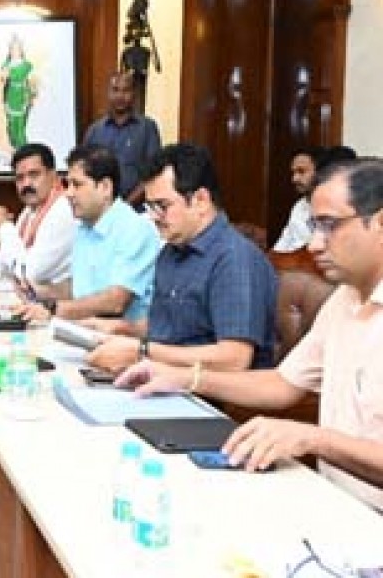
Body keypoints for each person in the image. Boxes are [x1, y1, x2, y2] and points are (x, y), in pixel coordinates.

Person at [116, 158, 383, 511]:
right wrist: (185, 378)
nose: (315, 244)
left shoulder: (233, 257)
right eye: (314, 226)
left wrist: (313, 438)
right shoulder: (344, 299)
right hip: (334, 503)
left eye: (329, 225)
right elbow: (283, 384)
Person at [86, 143, 277, 373]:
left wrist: (142, 351)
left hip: (209, 391)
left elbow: (234, 358)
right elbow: (169, 328)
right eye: (149, 206)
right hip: (161, 378)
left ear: (201, 200)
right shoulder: (170, 251)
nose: (153, 217)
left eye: (162, 206)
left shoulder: (234, 259)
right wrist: (122, 330)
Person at [14, 144, 158, 322]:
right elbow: (80, 290)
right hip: (85, 330)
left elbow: (115, 301)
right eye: (67, 184)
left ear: (105, 187)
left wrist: (52, 310)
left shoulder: (134, 229)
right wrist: (39, 291)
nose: (68, 193)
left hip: (120, 335)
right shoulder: (84, 226)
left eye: (77, 185)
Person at [0, 143, 76, 287]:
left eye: (34, 174)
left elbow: (28, 274)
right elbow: (4, 268)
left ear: (53, 176)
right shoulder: (29, 211)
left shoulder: (64, 210)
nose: (26, 184)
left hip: (57, 299)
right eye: (20, 178)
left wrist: (4, 226)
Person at [83, 72, 162, 207]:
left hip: (137, 210)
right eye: (115, 90)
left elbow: (153, 174)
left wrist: (125, 207)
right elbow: (85, 173)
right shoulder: (94, 131)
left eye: (126, 90)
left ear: (134, 94)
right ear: (108, 93)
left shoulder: (147, 128)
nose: (120, 96)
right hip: (101, 209)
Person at [273, 146, 325, 253]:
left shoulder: (334, 208)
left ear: (320, 172)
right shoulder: (299, 206)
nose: (294, 179)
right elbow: (281, 246)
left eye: (301, 171)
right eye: (293, 172)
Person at [0, 35, 36, 149]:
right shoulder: (6, 64)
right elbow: (3, 78)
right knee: (10, 124)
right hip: (10, 94)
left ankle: (22, 148)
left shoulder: (26, 65)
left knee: (20, 124)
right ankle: (13, 146)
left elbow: (28, 80)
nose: (15, 51)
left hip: (21, 95)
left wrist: (30, 96)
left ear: (21, 50)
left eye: (17, 49)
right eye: (13, 49)